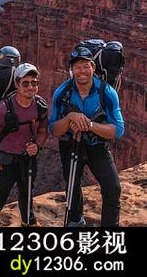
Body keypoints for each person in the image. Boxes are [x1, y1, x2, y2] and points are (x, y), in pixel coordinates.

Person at [0, 63, 48, 275]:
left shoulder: (40, 105)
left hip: (27, 161)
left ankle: (29, 224)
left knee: (27, 196)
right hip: (4, 165)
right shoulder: (1, 109)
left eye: (34, 83)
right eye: (25, 83)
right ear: (17, 83)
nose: (30, 87)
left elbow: (43, 131)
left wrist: (38, 146)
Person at [49, 47, 124, 227]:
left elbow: (119, 130)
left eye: (85, 66)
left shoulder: (106, 92)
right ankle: (76, 221)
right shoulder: (62, 93)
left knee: (113, 189)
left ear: (93, 67)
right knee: (72, 186)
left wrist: (89, 125)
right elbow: (54, 129)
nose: (81, 71)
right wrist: (69, 118)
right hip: (70, 145)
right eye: (77, 67)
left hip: (96, 145)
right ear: (72, 70)